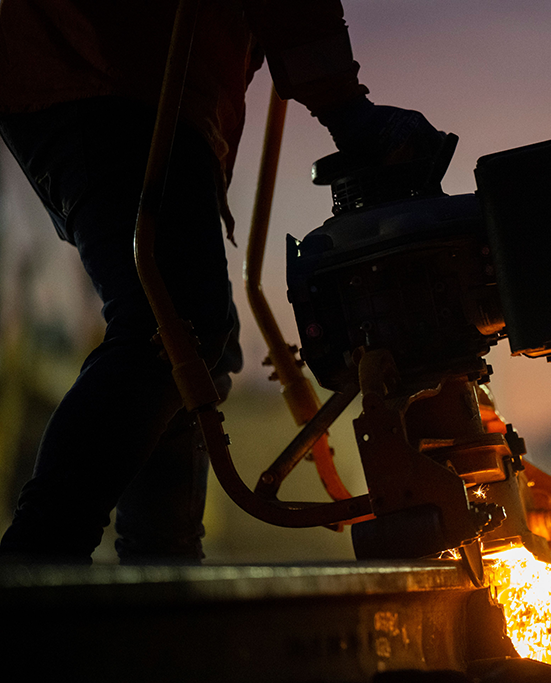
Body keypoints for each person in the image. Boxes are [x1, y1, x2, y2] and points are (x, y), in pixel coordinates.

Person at [0, 1, 447, 564]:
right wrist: (345, 108)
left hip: (119, 64)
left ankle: (161, 583)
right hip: (109, 59)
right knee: (171, 326)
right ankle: (34, 574)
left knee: (191, 346)